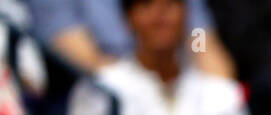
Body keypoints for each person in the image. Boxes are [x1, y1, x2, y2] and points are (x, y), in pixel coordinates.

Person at [62, 0, 255, 115]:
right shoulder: (101, 91)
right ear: (127, 18)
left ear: (188, 15)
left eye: (170, 4)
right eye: (147, 4)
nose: (160, 17)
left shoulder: (220, 93)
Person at [29, 0, 236, 77]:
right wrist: (151, 89)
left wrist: (212, 93)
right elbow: (85, 58)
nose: (161, 16)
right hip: (102, 94)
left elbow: (201, 41)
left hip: (178, 91)